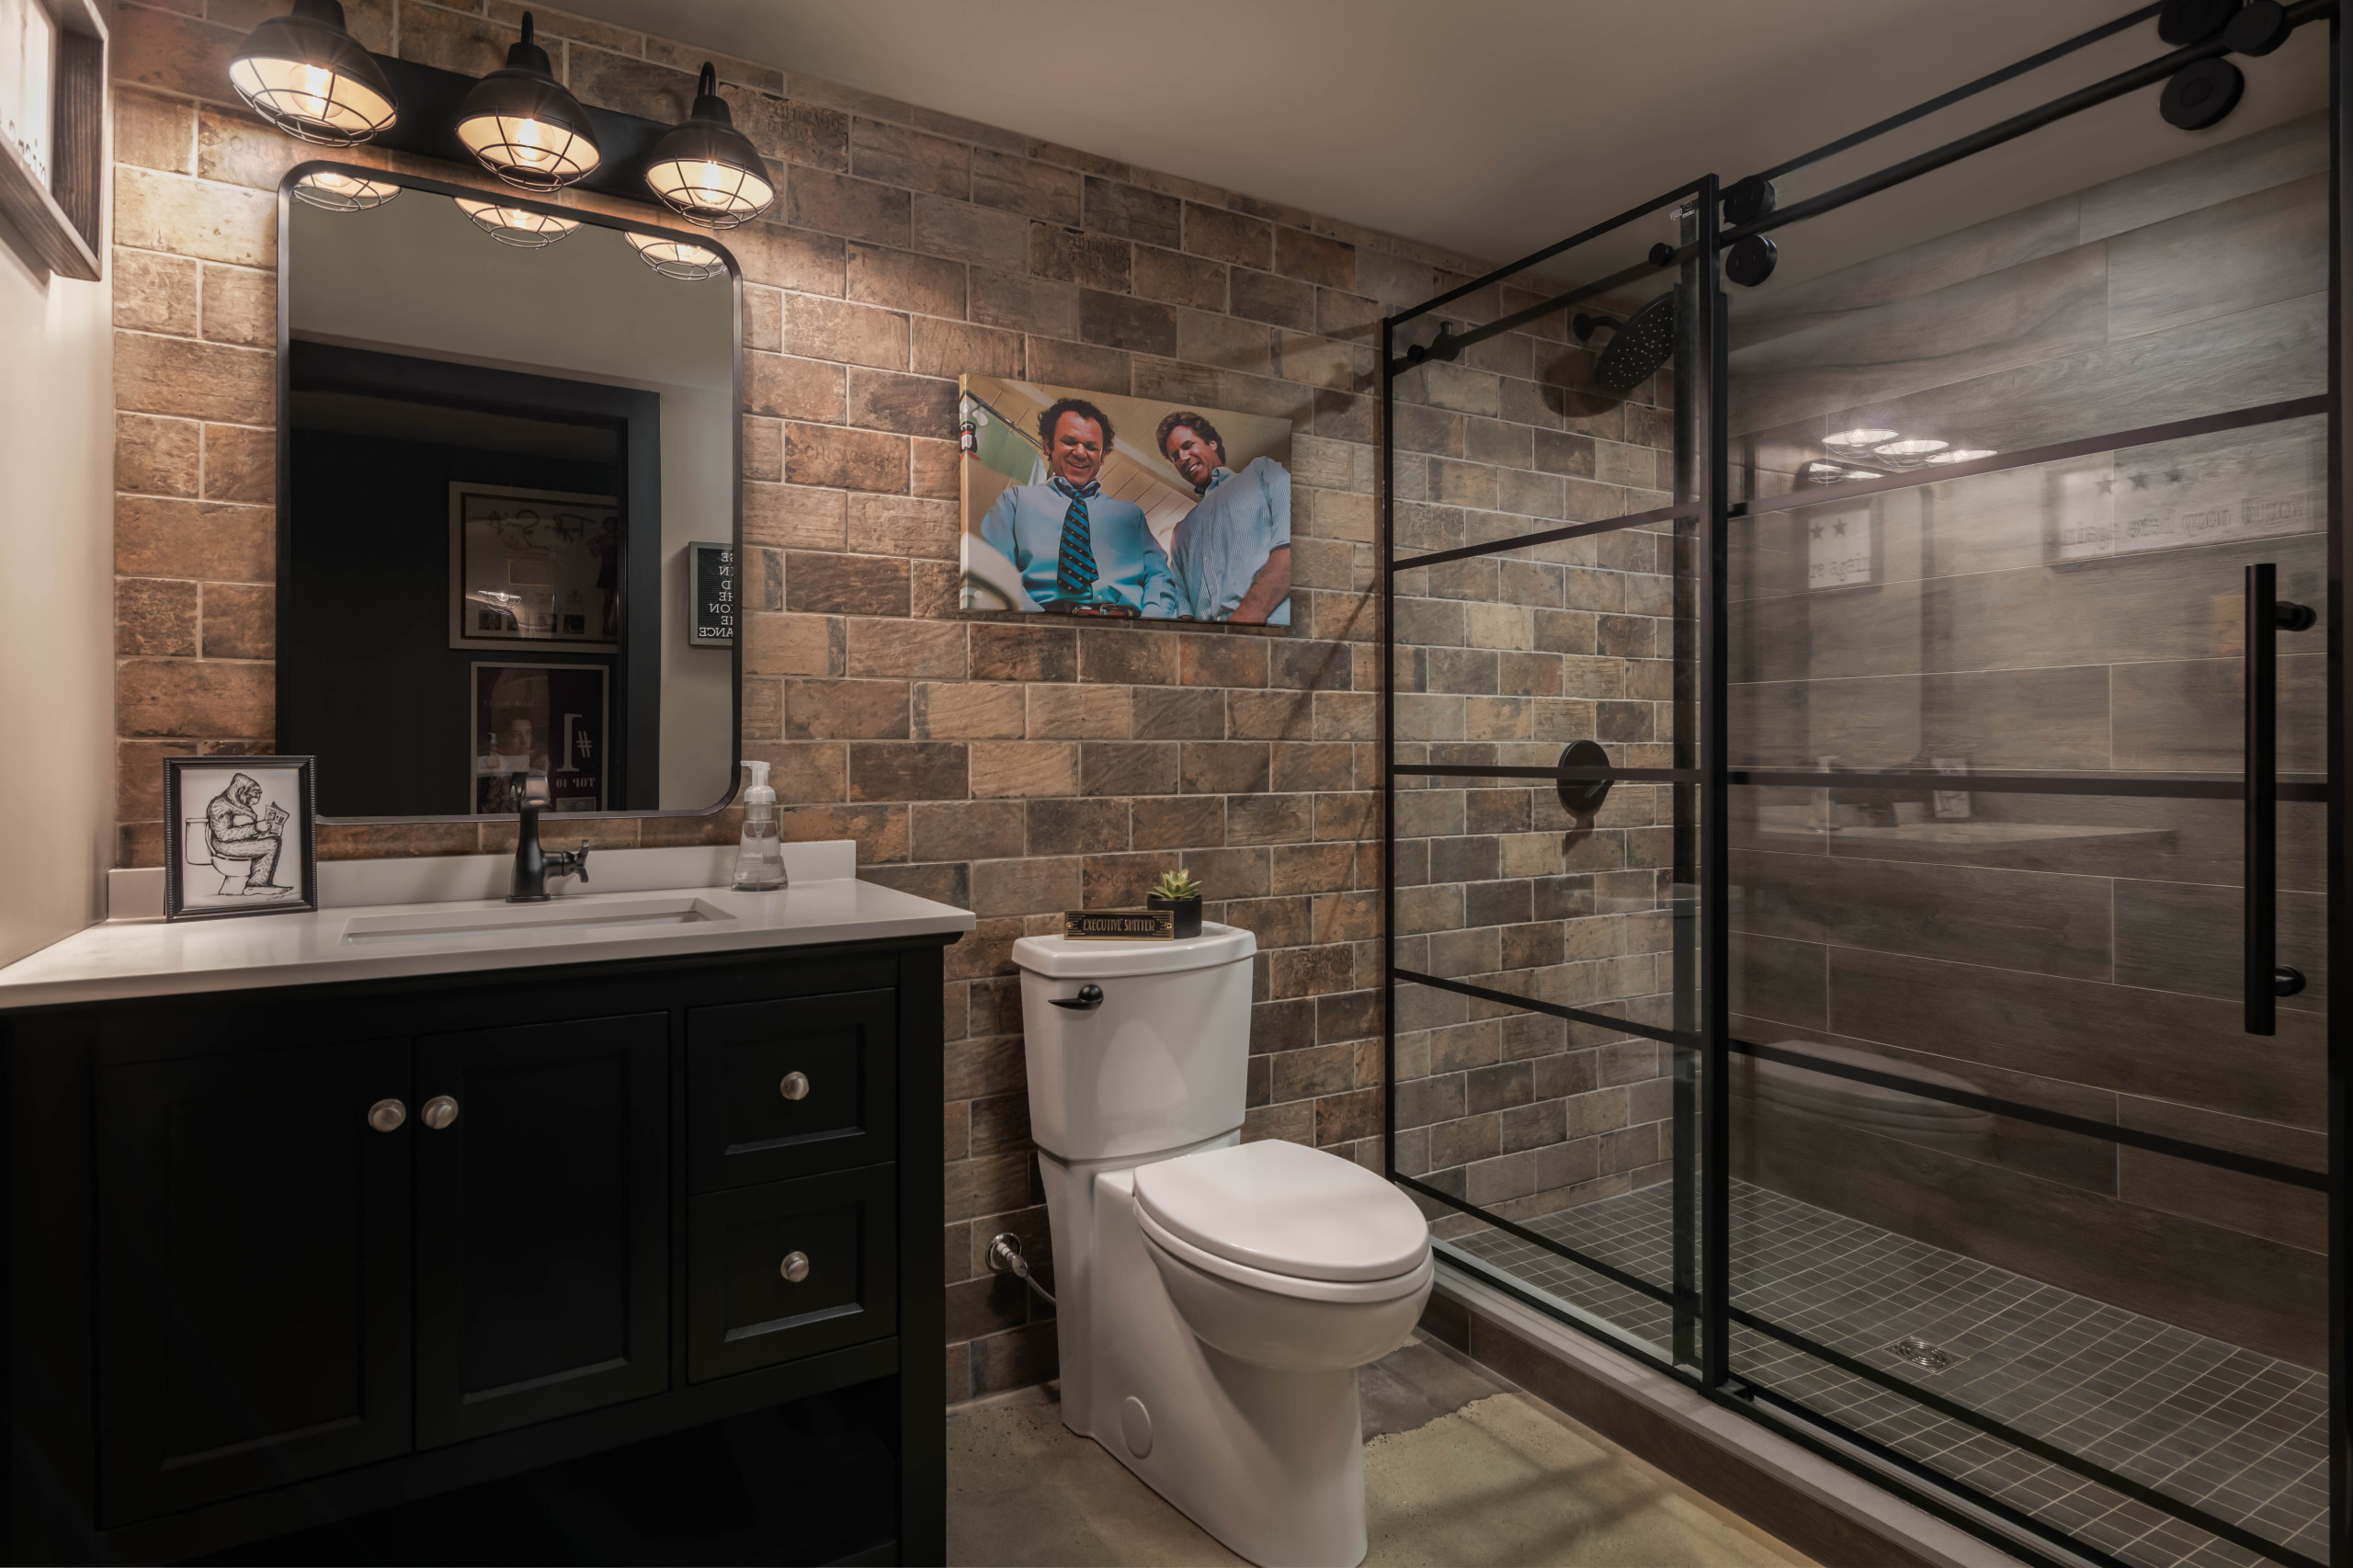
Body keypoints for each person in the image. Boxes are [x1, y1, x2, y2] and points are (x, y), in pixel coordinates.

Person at [979, 397, 1183, 617]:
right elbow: (993, 568)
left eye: (1091, 446)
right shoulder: (1014, 502)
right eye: (1069, 441)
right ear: (1049, 445)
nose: (1079, 452)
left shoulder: (1132, 516)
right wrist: (1041, 624)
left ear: (1102, 456)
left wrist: (1150, 623)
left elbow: (1160, 576)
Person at [1156, 411, 1290, 625]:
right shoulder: (1181, 531)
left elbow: (1292, 544)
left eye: (1188, 445)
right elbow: (1181, 603)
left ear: (1211, 443)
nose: (1182, 458)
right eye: (1174, 456)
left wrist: (1249, 615)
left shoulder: (1262, 472)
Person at [203, 773, 291, 896]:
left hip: (236, 843)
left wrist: (262, 831)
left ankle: (257, 884)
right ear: (241, 791)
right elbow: (223, 835)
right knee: (271, 845)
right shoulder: (220, 805)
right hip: (224, 845)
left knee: (272, 841)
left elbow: (244, 828)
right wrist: (255, 828)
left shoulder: (239, 804)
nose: (253, 801)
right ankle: (256, 885)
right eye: (250, 797)